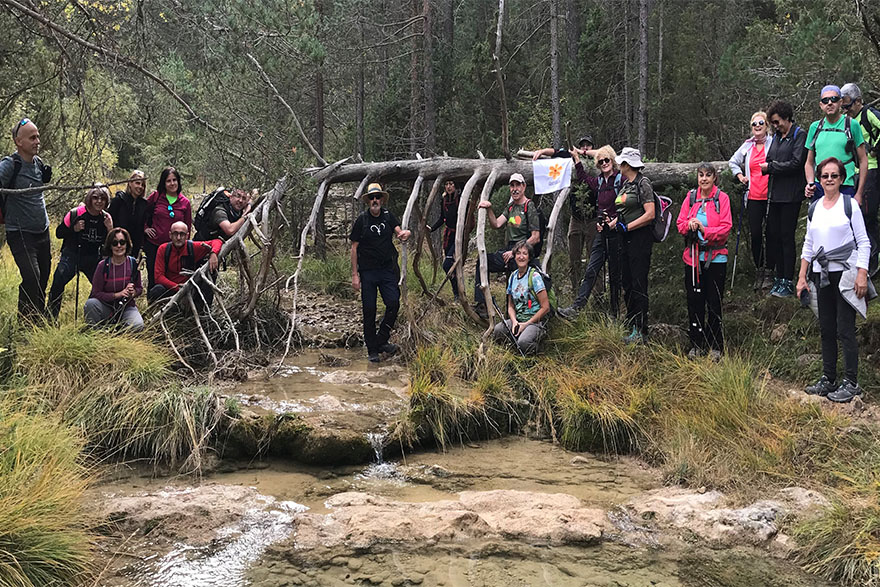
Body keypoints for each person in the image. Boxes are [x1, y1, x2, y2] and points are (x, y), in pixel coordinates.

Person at [796, 157, 871, 403]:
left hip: (845, 274)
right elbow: (808, 244)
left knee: (845, 328)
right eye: (825, 176)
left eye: (834, 176)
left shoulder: (850, 206)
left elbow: (864, 242)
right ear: (819, 179)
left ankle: (851, 382)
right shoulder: (814, 208)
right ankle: (828, 378)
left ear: (841, 179)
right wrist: (802, 277)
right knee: (826, 328)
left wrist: (862, 273)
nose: (829, 179)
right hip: (821, 274)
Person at [557, 145, 623, 319]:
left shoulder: (620, 179)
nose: (604, 163)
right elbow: (584, 178)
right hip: (602, 233)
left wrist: (616, 220)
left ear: (612, 161)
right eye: (600, 162)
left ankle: (614, 315)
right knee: (591, 270)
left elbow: (628, 205)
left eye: (606, 160)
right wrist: (577, 159)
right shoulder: (599, 181)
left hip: (617, 233)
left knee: (615, 275)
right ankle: (576, 308)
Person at [676, 163, 732, 360]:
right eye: (701, 175)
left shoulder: (722, 199)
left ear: (714, 177)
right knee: (694, 302)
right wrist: (689, 225)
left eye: (708, 175)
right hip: (693, 258)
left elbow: (726, 228)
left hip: (716, 258)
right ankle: (696, 344)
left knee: (714, 303)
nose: (704, 179)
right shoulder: (691, 198)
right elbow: (680, 223)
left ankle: (715, 345)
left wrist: (704, 229)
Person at [350, 183, 410, 363]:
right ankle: (372, 349)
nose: (375, 200)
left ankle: (381, 339)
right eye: (372, 197)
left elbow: (399, 232)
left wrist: (405, 233)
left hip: (387, 269)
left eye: (377, 197)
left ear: (382, 199)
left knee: (393, 303)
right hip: (367, 271)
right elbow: (354, 248)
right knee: (369, 309)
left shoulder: (387, 215)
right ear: (368, 201)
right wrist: (355, 275)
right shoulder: (362, 220)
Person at [0, 117, 52, 320]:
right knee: (32, 277)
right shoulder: (10, 164)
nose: (37, 141)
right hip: (20, 232)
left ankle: (36, 318)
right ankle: (25, 322)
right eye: (32, 138)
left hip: (43, 231)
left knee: (43, 278)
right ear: (18, 141)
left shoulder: (38, 162)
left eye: (37, 136)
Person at [532, 134, 595, 290]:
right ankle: (576, 291)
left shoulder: (598, 161)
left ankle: (598, 295)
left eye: (588, 145)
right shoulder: (570, 157)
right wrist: (541, 151)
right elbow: (555, 152)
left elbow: (605, 153)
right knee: (574, 258)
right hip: (576, 218)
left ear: (592, 147)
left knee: (594, 259)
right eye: (582, 145)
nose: (585, 148)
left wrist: (584, 154)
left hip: (593, 218)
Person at [474, 173, 541, 319]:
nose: (515, 189)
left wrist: (515, 252)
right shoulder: (510, 207)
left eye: (518, 185)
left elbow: (535, 237)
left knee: (513, 291)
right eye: (512, 185)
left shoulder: (529, 206)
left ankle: (517, 321)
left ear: (524, 187)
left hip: (522, 252)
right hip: (509, 251)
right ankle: (482, 304)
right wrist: (489, 208)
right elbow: (497, 224)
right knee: (483, 261)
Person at [607, 148, 655, 343]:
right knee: (626, 282)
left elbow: (650, 214)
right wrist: (611, 224)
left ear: (627, 165)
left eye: (621, 163)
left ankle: (641, 330)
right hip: (624, 239)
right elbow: (623, 211)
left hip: (640, 239)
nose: (619, 165)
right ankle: (631, 323)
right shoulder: (626, 184)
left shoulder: (643, 183)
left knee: (638, 283)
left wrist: (627, 227)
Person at [763, 100, 808, 297]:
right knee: (774, 236)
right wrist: (771, 166)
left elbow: (797, 163)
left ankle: (788, 280)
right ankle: (779, 277)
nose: (775, 126)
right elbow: (770, 158)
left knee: (787, 237)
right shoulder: (776, 137)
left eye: (777, 121)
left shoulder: (799, 135)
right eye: (772, 123)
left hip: (791, 195)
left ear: (786, 117)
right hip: (774, 194)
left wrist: (772, 167)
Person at [48, 185, 113, 319]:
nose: (99, 201)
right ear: (89, 199)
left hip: (93, 258)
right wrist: (74, 228)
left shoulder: (106, 218)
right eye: (95, 198)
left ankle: (92, 317)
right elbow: (59, 233)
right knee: (58, 282)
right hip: (72, 255)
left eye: (102, 198)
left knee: (103, 286)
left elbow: (111, 244)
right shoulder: (76, 213)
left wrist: (110, 229)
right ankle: (50, 318)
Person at [729, 111, 774, 290]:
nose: (757, 126)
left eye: (761, 123)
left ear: (767, 126)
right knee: (755, 234)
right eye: (754, 124)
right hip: (753, 196)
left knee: (771, 234)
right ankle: (759, 269)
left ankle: (770, 271)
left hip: (771, 196)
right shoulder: (747, 145)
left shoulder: (773, 143)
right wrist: (740, 176)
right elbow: (733, 162)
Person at [804, 85, 868, 204]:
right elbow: (809, 162)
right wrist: (810, 183)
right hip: (820, 186)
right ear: (821, 105)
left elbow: (863, 160)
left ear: (840, 102)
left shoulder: (852, 125)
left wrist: (859, 193)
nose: (829, 103)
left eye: (834, 99)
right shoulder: (815, 127)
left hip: (846, 185)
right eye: (825, 100)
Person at [840, 83, 880, 274]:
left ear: (858, 101)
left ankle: (873, 260)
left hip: (872, 169)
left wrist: (875, 148)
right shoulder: (847, 121)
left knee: (867, 214)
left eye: (848, 104)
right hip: (855, 171)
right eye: (843, 105)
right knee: (858, 215)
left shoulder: (868, 114)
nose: (845, 109)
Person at [491, 240, 550, 355]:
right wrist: (514, 322)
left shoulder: (534, 276)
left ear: (529, 257)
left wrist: (526, 324)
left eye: (524, 253)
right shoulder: (513, 277)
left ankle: (536, 351)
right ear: (514, 256)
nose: (521, 257)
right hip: (518, 320)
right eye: (518, 253)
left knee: (524, 342)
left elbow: (545, 307)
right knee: (498, 331)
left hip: (535, 322)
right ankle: (514, 348)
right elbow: (511, 305)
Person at [147, 221, 220, 310]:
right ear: (170, 235)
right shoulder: (163, 249)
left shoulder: (193, 247)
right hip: (170, 290)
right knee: (157, 290)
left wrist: (213, 253)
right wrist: (177, 287)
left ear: (187, 236)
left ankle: (203, 312)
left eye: (182, 234)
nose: (178, 238)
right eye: (175, 234)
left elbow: (217, 241)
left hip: (190, 290)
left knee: (210, 276)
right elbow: (158, 277)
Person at [84, 228, 144, 330]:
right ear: (110, 246)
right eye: (115, 243)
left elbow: (139, 288)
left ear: (127, 244)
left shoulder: (133, 263)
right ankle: (96, 333)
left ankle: (120, 332)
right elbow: (95, 293)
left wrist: (133, 292)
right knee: (90, 304)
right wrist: (118, 295)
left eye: (122, 242)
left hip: (127, 307)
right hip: (106, 307)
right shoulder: (102, 265)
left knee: (137, 326)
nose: (119, 246)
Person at [144, 167, 192, 290]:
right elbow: (142, 212)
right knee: (154, 278)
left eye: (174, 180)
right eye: (168, 181)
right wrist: (145, 228)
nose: (172, 183)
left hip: (175, 248)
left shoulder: (185, 202)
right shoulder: (156, 197)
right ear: (163, 183)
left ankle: (172, 300)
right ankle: (153, 300)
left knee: (172, 278)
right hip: (154, 245)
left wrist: (186, 246)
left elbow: (188, 226)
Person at [427, 180, 463, 300]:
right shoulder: (444, 200)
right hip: (449, 236)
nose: (448, 187)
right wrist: (432, 228)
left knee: (447, 264)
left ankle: (458, 293)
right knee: (450, 266)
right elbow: (442, 218)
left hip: (459, 236)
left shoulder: (461, 199)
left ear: (455, 186)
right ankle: (457, 294)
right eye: (446, 184)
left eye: (451, 184)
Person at [108, 170, 148, 257]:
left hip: (135, 247)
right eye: (137, 183)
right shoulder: (119, 200)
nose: (140, 187)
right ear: (130, 183)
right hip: (118, 244)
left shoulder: (144, 205)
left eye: (142, 185)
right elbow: (109, 220)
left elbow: (144, 224)